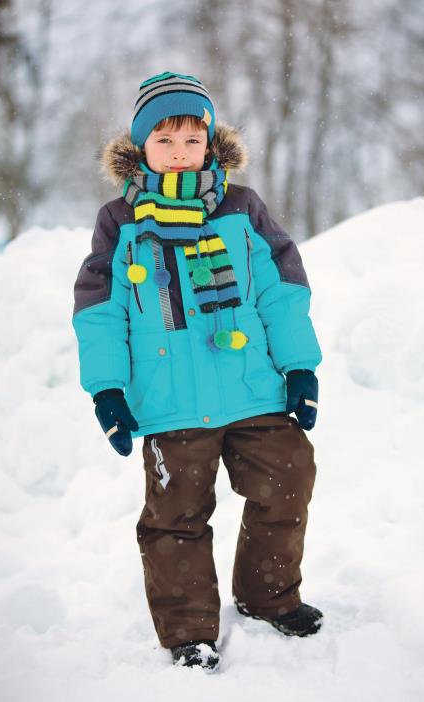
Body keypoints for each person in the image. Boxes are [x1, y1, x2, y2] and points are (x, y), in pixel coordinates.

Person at [72, 71, 323, 671]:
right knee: (175, 516)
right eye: (165, 140)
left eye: (192, 139)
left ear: (211, 144)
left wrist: (299, 368)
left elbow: (280, 290)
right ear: (141, 148)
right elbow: (100, 313)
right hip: (169, 404)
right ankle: (188, 629)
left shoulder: (240, 208)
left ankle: (267, 596)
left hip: (252, 388)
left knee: (288, 478)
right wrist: (107, 390)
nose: (180, 151)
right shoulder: (120, 221)